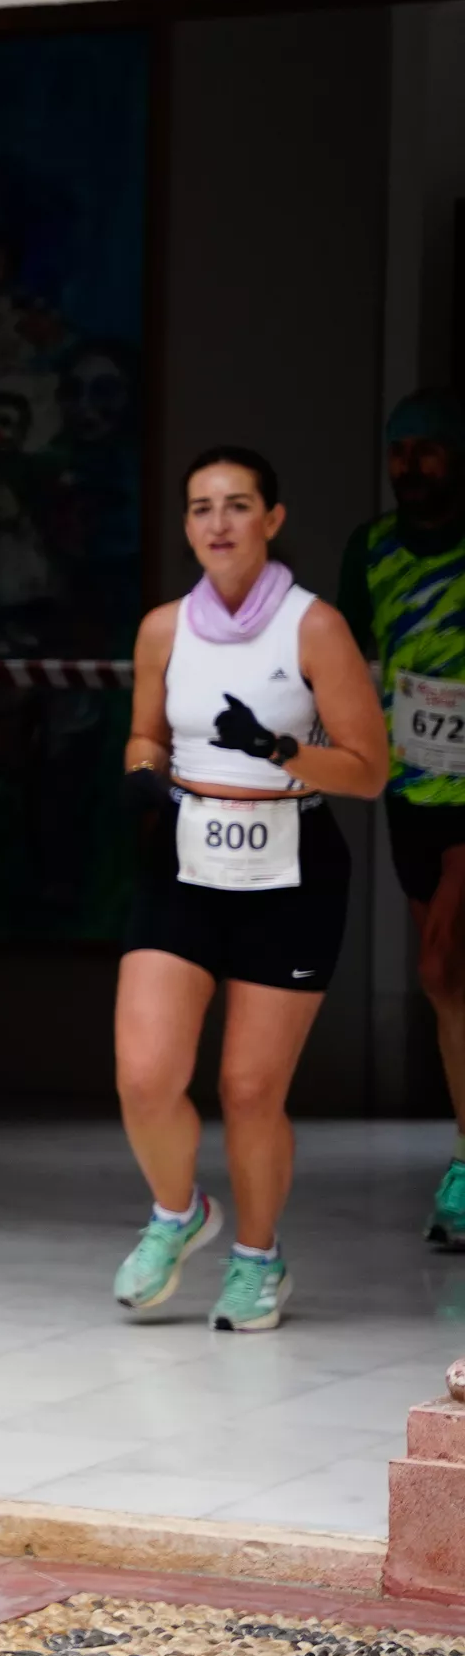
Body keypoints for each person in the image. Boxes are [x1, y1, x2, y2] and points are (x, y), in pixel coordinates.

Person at [116, 448, 387, 1330]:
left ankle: (259, 1259)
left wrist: (275, 751)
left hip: (290, 863)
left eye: (238, 506)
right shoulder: (164, 628)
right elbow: (145, 735)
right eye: (201, 508)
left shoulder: (314, 628)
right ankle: (176, 1212)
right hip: (187, 856)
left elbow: (370, 770)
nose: (218, 524)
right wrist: (144, 773)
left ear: (272, 520)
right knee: (147, 1074)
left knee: (247, 1090)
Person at [332, 394, 465, 1245]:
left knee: (435, 964)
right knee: (451, 982)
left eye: (429, 451)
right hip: (412, 789)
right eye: (399, 451)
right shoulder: (373, 550)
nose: (411, 465)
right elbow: (344, 656)